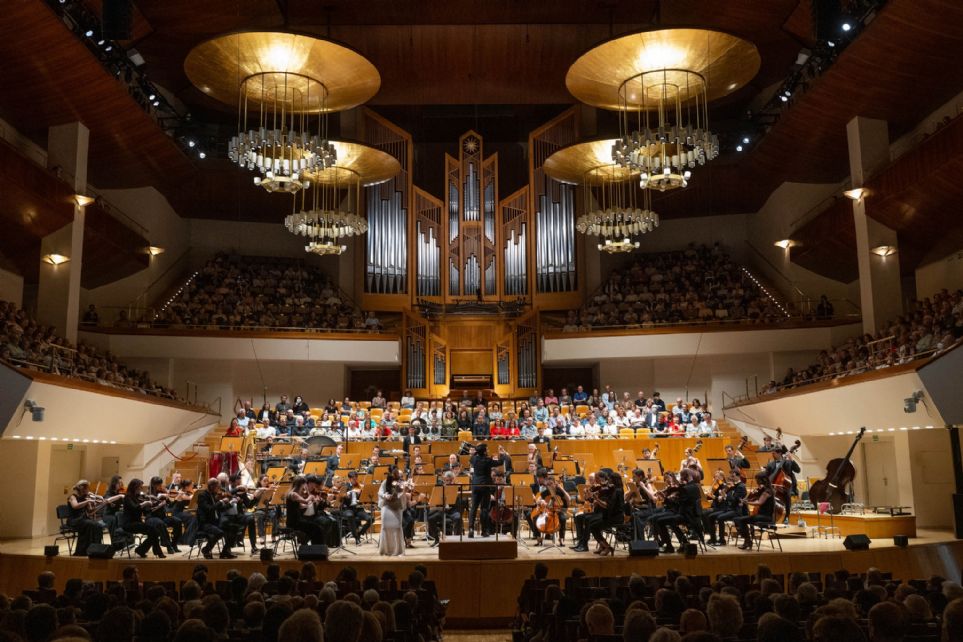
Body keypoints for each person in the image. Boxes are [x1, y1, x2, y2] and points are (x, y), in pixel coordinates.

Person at [119, 479, 166, 559]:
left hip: (137, 523)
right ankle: (155, 552)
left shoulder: (137, 497)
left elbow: (145, 511)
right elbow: (134, 508)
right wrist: (144, 504)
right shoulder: (128, 497)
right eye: (140, 487)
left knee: (155, 532)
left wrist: (156, 506)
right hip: (129, 524)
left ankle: (141, 550)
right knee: (154, 531)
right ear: (134, 487)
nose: (141, 490)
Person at [735, 472, 777, 550]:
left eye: (757, 480)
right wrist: (749, 499)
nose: (757, 482)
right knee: (740, 520)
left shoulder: (767, 492)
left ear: (762, 480)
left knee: (740, 520)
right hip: (761, 515)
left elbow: (759, 502)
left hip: (766, 517)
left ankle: (748, 541)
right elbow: (755, 498)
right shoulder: (763, 490)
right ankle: (747, 541)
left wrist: (747, 502)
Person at [65, 480, 107, 556]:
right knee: (90, 524)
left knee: (98, 526)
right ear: (82, 488)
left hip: (83, 519)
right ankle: (82, 551)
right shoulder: (73, 497)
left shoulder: (86, 498)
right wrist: (87, 502)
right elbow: (75, 506)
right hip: (74, 520)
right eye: (87, 488)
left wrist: (101, 505)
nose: (88, 491)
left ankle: (95, 549)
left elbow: (90, 511)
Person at [196, 478, 234, 559]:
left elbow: (219, 509)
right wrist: (220, 502)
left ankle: (225, 552)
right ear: (212, 486)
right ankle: (206, 549)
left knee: (233, 529)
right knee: (219, 533)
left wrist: (230, 504)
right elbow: (209, 509)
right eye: (217, 487)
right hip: (205, 523)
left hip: (215, 522)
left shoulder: (213, 495)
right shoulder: (202, 496)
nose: (219, 489)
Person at [468, 443, 498, 537]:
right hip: (485, 486)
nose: (488, 450)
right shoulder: (488, 460)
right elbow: (500, 462)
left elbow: (472, 457)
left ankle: (471, 529)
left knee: (473, 508)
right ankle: (484, 531)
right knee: (484, 509)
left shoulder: (474, 459)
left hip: (475, 485)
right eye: (487, 449)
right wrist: (503, 454)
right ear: (484, 451)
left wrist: (476, 450)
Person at [378, 467, 407, 556]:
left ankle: (398, 550)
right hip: (386, 506)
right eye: (394, 474)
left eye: (397, 474)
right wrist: (385, 495)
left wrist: (404, 490)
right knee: (385, 527)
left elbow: (402, 494)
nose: (396, 475)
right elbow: (380, 492)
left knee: (397, 527)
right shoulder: (385, 482)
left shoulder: (401, 483)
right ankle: (385, 550)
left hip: (397, 506)